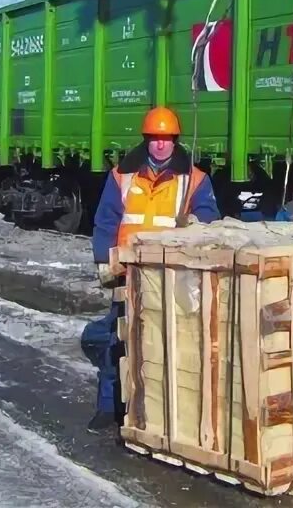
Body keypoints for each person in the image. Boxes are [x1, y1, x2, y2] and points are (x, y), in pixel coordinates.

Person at [84, 106, 220, 428]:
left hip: (170, 276)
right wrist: (105, 260)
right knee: (117, 341)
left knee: (167, 343)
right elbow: (106, 220)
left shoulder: (195, 180)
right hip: (128, 273)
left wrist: (196, 224)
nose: (160, 145)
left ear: (175, 141)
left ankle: (160, 414)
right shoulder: (122, 175)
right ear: (146, 140)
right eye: (154, 139)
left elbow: (210, 221)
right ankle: (108, 406)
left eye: (166, 139)